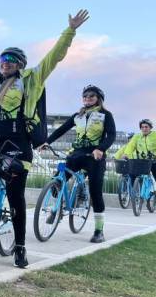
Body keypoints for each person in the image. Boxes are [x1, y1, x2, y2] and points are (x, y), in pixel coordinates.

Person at [0, 9, 89, 268]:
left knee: (15, 196)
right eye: (3, 58)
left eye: (11, 59)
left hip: (17, 145)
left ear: (20, 64)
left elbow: (54, 57)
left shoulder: (32, 80)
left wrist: (70, 31)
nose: (6, 62)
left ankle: (20, 247)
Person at [40, 85, 116, 243]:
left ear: (98, 99)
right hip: (76, 155)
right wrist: (47, 142)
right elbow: (62, 129)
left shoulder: (105, 115)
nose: (88, 99)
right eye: (85, 96)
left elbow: (111, 135)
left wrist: (100, 149)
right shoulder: (78, 115)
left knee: (95, 191)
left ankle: (99, 230)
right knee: (57, 182)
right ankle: (59, 207)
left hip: (94, 157)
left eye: (91, 96)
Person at [123, 119, 156, 201]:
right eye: (142, 127)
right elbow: (131, 145)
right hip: (143, 162)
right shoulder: (137, 136)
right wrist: (126, 153)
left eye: (146, 127)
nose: (144, 129)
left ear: (150, 128)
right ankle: (137, 194)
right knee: (133, 174)